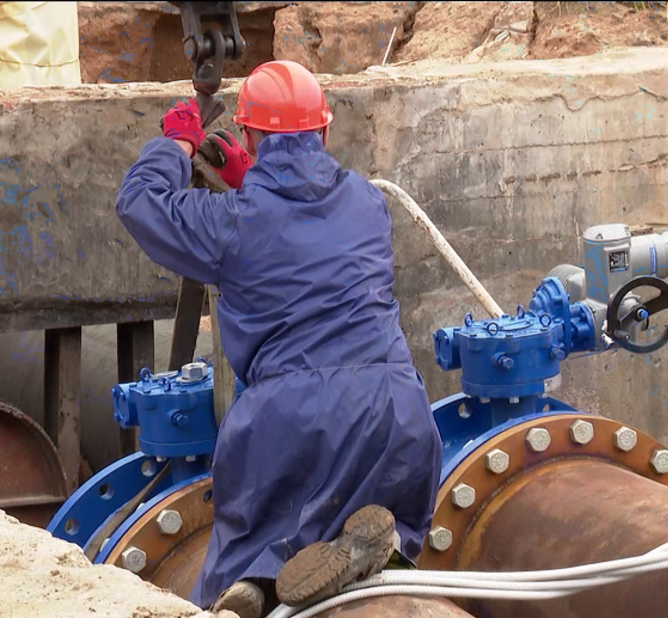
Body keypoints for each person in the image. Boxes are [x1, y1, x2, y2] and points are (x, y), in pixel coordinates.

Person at [115, 60, 443, 618]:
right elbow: (306, 225)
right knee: (396, 513)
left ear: (248, 135)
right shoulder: (369, 203)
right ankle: (369, 546)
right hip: (399, 414)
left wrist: (176, 144)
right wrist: (257, 178)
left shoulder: (231, 224)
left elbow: (140, 204)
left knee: (247, 545)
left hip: (294, 424)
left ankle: (253, 581)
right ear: (325, 130)